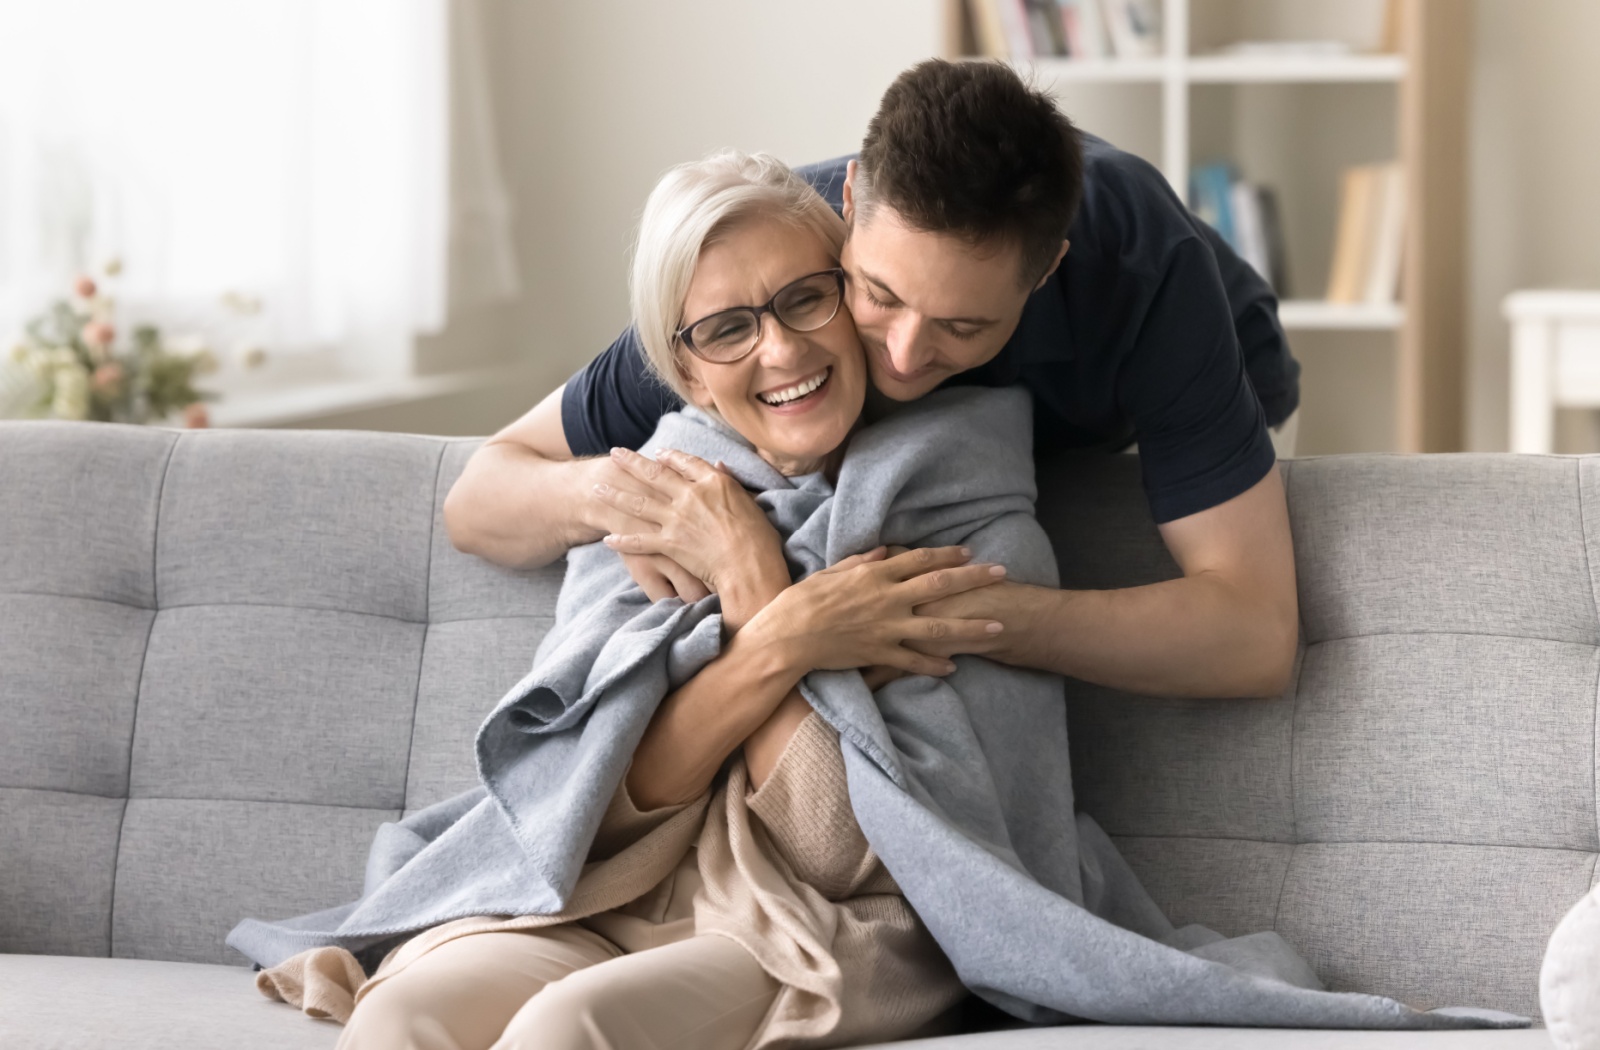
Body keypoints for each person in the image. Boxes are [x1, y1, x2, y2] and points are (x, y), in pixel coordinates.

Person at [313, 151, 998, 1050]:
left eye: (805, 298)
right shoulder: (654, 501)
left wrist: (751, 588)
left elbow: (834, 850)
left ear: (852, 295)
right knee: (401, 1015)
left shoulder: (953, 500)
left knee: (573, 1025)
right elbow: (592, 808)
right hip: (614, 896)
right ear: (684, 367)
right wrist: (784, 632)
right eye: (726, 329)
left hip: (818, 927)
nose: (782, 350)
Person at [444, 59, 1302, 701]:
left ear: (1046, 276)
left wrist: (956, 617)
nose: (898, 357)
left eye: (963, 326)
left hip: (1234, 361)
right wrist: (622, 498)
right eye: (876, 296)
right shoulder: (774, 263)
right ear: (848, 204)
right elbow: (480, 496)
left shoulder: (1145, 273)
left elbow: (1256, 635)